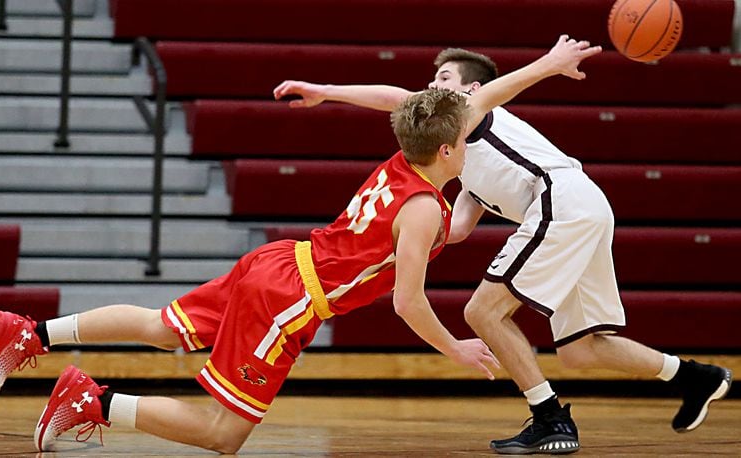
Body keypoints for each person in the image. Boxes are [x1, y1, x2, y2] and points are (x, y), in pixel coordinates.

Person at [0, 36, 599, 454]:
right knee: (226, 433)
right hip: (291, 298)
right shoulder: (418, 211)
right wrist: (456, 348)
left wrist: (545, 66)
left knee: (164, 326)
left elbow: (423, 104)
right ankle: (96, 401)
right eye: (465, 139)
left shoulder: (405, 157)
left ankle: (29, 332)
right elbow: (408, 302)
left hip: (277, 261)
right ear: (448, 148)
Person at [273, 44, 733, 454]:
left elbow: (397, 98)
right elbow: (455, 231)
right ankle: (695, 377)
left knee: (483, 312)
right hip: (583, 208)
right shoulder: (465, 162)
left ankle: (551, 416)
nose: (433, 86)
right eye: (433, 80)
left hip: (562, 199)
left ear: (473, 89)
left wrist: (326, 90)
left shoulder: (472, 112)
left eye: (445, 79)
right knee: (581, 350)